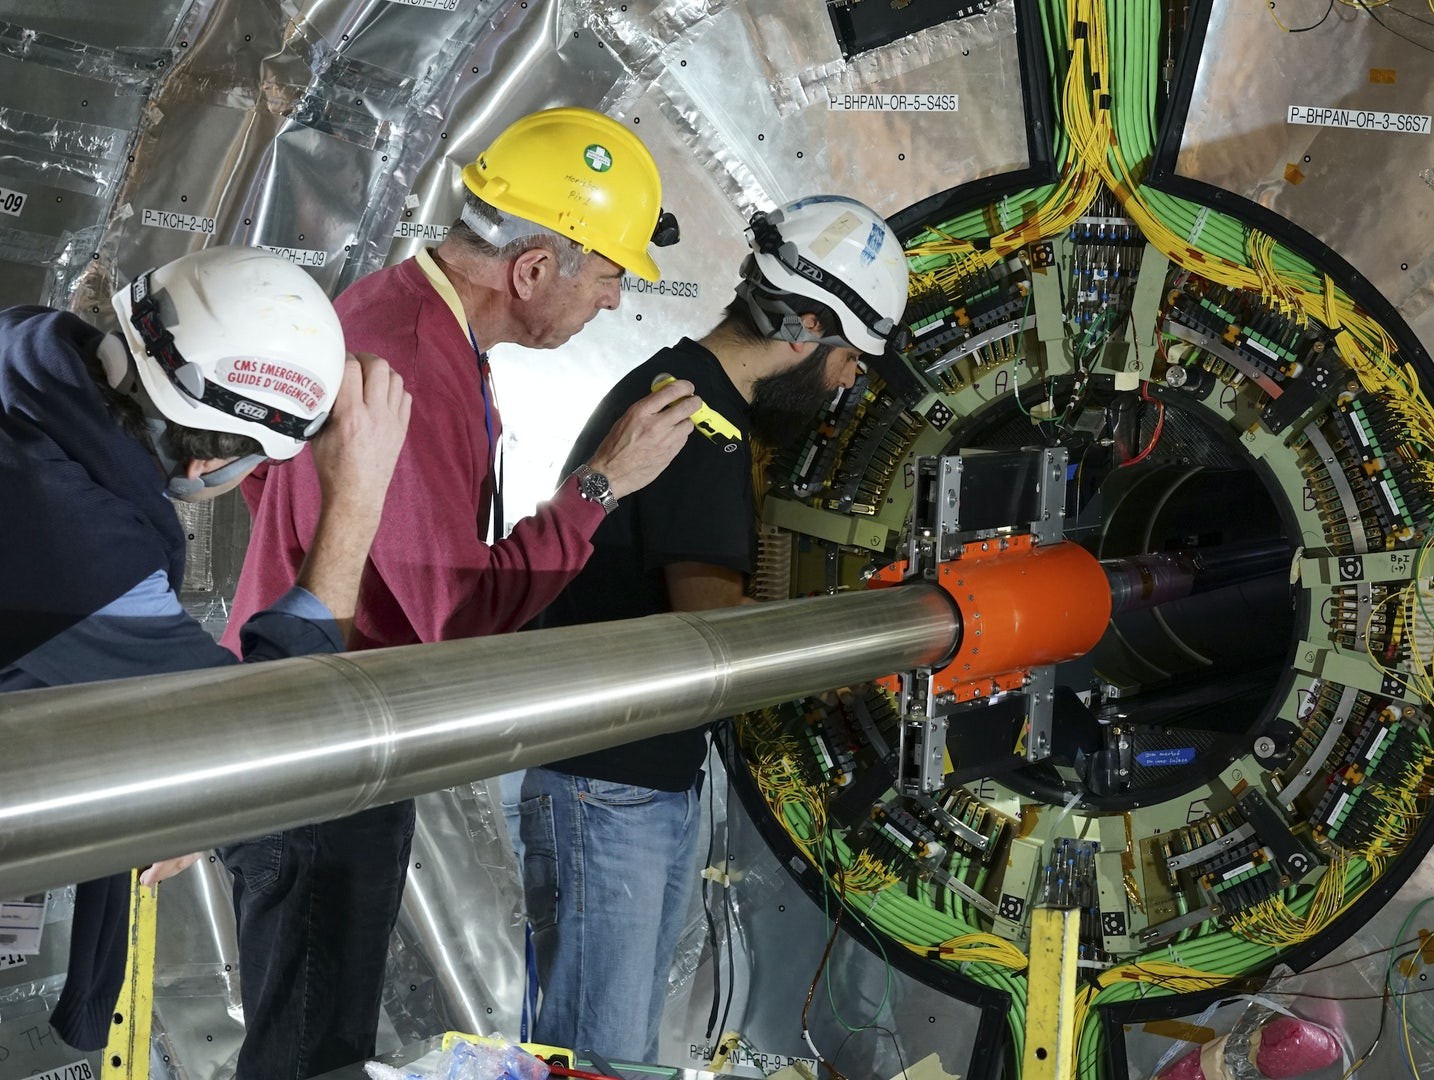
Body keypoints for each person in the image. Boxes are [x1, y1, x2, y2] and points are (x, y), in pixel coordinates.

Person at [220, 107, 698, 1078]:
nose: (612, 303)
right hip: (315, 753)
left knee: (315, 1043)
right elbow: (449, 611)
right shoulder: (409, 356)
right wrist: (599, 486)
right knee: (308, 1056)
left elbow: (278, 490)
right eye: (608, 276)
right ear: (532, 270)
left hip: (326, 734)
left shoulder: (402, 318)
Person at [510, 195, 911, 1062]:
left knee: (611, 1051)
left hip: (628, 781)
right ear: (804, 325)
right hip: (605, 785)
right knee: (597, 1054)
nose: (847, 383)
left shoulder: (686, 391)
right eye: (848, 358)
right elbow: (713, 634)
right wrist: (874, 629)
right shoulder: (696, 425)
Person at [0, 246, 411, 1052]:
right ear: (207, 465)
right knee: (333, 814)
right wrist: (357, 497)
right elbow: (267, 731)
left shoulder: (30, 351)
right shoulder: (74, 550)